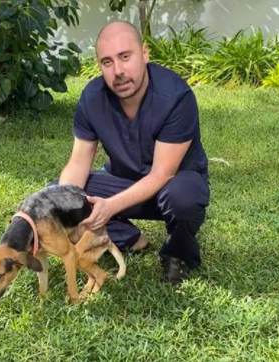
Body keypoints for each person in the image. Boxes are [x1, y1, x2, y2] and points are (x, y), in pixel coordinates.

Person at [57, 21, 210, 283]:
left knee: (183, 198)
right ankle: (131, 240)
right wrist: (62, 206)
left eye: (125, 57)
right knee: (62, 193)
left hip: (172, 184)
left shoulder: (175, 96)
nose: (118, 71)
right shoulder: (93, 98)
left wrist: (109, 207)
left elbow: (162, 174)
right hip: (124, 181)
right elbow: (78, 164)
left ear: (145, 53)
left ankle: (177, 253)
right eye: (107, 62)